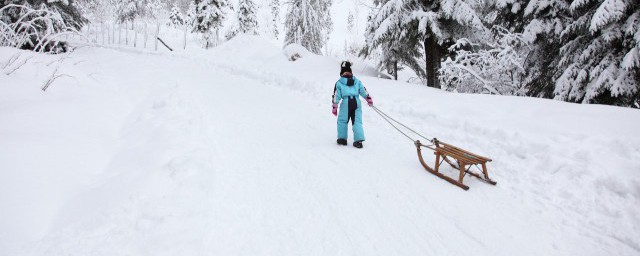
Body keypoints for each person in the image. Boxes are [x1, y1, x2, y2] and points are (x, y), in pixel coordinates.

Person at [332, 61, 373, 148]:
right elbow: (363, 90)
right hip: (356, 102)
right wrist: (368, 98)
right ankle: (358, 141)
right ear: (351, 71)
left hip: (346, 102)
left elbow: (336, 95)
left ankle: (342, 139)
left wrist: (335, 106)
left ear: (341, 72)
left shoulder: (339, 83)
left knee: (342, 121)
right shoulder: (357, 81)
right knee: (357, 121)